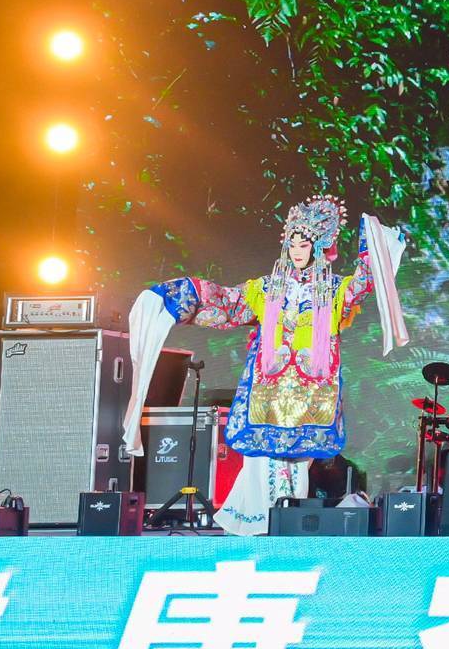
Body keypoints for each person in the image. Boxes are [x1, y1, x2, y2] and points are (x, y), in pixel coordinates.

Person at [123, 196, 410, 535]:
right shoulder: (267, 288)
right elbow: (227, 303)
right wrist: (181, 294)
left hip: (309, 396)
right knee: (259, 461)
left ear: (318, 247)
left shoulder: (333, 290)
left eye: (305, 244)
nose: (297, 251)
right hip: (268, 393)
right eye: (293, 244)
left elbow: (364, 283)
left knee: (295, 468)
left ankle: (283, 524)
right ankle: (255, 523)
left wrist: (376, 241)